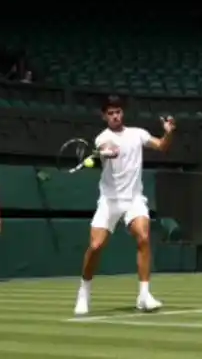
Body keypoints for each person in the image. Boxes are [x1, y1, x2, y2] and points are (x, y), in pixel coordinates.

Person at [74, 96, 176, 316]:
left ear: (123, 113)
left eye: (118, 112)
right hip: (109, 201)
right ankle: (84, 291)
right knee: (96, 247)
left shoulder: (137, 134)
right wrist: (108, 152)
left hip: (134, 198)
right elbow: (105, 147)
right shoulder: (103, 138)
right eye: (110, 113)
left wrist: (168, 133)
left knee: (144, 236)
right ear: (104, 116)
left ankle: (144, 295)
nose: (115, 116)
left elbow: (161, 146)